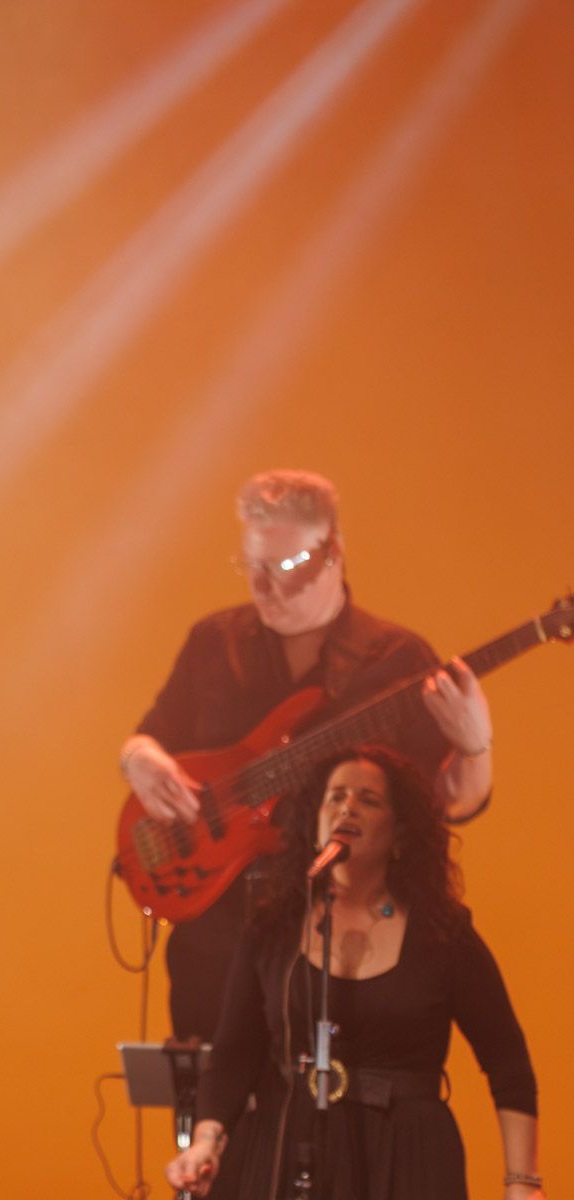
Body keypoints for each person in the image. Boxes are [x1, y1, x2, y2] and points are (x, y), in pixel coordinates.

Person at [118, 469, 495, 1042]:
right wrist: (138, 759)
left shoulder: (395, 660)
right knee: (209, 1115)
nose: (264, 589)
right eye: (253, 568)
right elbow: (150, 735)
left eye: (287, 569)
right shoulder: (214, 642)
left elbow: (453, 803)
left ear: (333, 553)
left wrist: (474, 745)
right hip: (215, 938)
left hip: (335, 937)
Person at [164, 744, 543, 1200]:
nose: (348, 806)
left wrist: (523, 1183)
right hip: (291, 1146)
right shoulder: (274, 929)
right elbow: (234, 1055)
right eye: (336, 796)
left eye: (369, 799)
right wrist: (206, 1142)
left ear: (401, 833)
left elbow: (508, 1063)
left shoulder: (443, 934)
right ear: (315, 823)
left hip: (408, 1156)